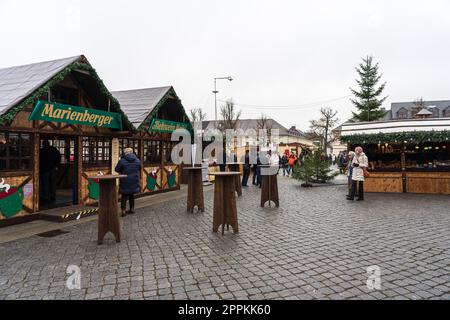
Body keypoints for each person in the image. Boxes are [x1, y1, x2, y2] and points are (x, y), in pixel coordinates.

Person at [115, 147, 142, 217]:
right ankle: (132, 209)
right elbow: (140, 167)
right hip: (134, 180)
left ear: (125, 153)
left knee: (124, 195)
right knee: (131, 195)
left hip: (125, 180)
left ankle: (123, 210)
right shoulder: (137, 160)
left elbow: (116, 169)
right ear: (132, 152)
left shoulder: (122, 160)